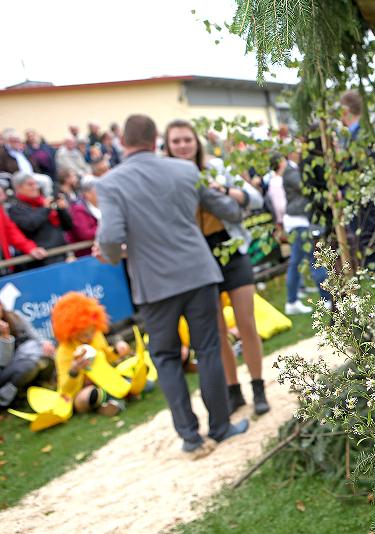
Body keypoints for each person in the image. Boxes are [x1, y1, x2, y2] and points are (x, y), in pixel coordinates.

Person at [94, 114, 248, 454]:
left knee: (165, 357)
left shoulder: (110, 183)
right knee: (207, 349)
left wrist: (112, 254)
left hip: (153, 284)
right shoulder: (185, 170)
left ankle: (191, 438)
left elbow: (110, 236)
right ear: (156, 141)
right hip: (198, 272)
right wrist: (243, 199)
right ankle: (221, 427)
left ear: (123, 142)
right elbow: (228, 209)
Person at [164, 119, 271, 415]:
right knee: (217, 329)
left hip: (231, 248)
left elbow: (255, 197)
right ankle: (233, 390)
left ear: (196, 143)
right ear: (168, 146)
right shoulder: (167, 177)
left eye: (188, 139)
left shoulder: (215, 167)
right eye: (176, 141)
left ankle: (258, 387)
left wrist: (222, 189)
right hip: (197, 258)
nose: (183, 145)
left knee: (246, 322)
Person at [339, 90, 375, 294]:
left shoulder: (361, 138)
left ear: (346, 110)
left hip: (371, 217)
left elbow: (365, 179)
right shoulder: (365, 135)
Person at [270, 151, 331, 315]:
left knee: (297, 262)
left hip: (299, 221)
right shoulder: (290, 172)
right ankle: (326, 299)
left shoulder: (292, 170)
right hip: (299, 222)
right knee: (314, 260)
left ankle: (293, 301)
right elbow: (307, 187)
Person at [50, 292, 127, 416]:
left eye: (92, 330)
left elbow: (107, 358)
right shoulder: (63, 352)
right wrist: (74, 371)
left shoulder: (97, 335)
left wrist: (118, 350)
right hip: (81, 391)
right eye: (85, 334)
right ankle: (113, 400)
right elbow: (66, 389)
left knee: (130, 376)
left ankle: (110, 401)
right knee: (89, 396)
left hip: (105, 379)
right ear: (72, 332)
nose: (90, 336)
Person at [7, 172, 72, 267]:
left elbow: (68, 226)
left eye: (36, 184)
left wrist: (62, 210)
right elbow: (30, 225)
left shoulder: (43, 202)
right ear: (18, 188)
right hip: (40, 261)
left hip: (61, 254)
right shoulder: (15, 208)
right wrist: (46, 208)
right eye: (30, 184)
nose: (35, 187)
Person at [0, 304, 56, 409]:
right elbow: (4, 364)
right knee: (29, 366)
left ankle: (38, 391)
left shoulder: (14, 317)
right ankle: (6, 401)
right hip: (7, 371)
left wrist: (44, 343)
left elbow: (34, 335)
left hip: (27, 358)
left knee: (47, 356)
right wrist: (5, 337)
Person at [65, 177, 101, 256]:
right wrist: (106, 226)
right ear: (87, 194)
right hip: (86, 255)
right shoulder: (78, 209)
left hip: (99, 250)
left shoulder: (102, 204)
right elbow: (85, 234)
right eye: (97, 191)